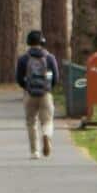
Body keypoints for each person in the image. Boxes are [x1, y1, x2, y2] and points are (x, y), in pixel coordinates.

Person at [14, 30, 60, 159]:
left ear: (29, 43)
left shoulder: (23, 59)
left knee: (31, 122)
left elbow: (18, 78)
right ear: (42, 42)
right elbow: (56, 77)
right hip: (45, 94)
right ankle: (46, 135)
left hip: (30, 94)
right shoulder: (49, 58)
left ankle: (34, 152)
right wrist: (49, 88)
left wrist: (27, 87)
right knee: (47, 121)